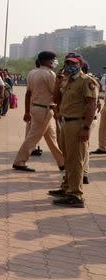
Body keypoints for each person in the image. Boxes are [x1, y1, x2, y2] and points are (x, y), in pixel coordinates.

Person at [48, 53, 96, 208]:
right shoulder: (67, 81)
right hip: (65, 123)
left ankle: (75, 194)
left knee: (76, 160)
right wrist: (58, 82)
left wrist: (86, 127)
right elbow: (56, 100)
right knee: (68, 158)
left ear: (80, 65)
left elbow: (91, 105)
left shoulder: (86, 81)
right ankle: (67, 187)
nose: (70, 66)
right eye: (68, 63)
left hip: (77, 124)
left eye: (74, 63)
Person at [12, 52, 64, 172]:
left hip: (37, 108)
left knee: (52, 139)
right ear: (47, 61)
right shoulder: (50, 74)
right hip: (45, 110)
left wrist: (27, 111)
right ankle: (19, 162)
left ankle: (62, 162)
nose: (54, 62)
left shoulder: (32, 73)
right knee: (32, 138)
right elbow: (55, 95)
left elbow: (28, 94)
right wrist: (60, 83)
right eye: (53, 60)